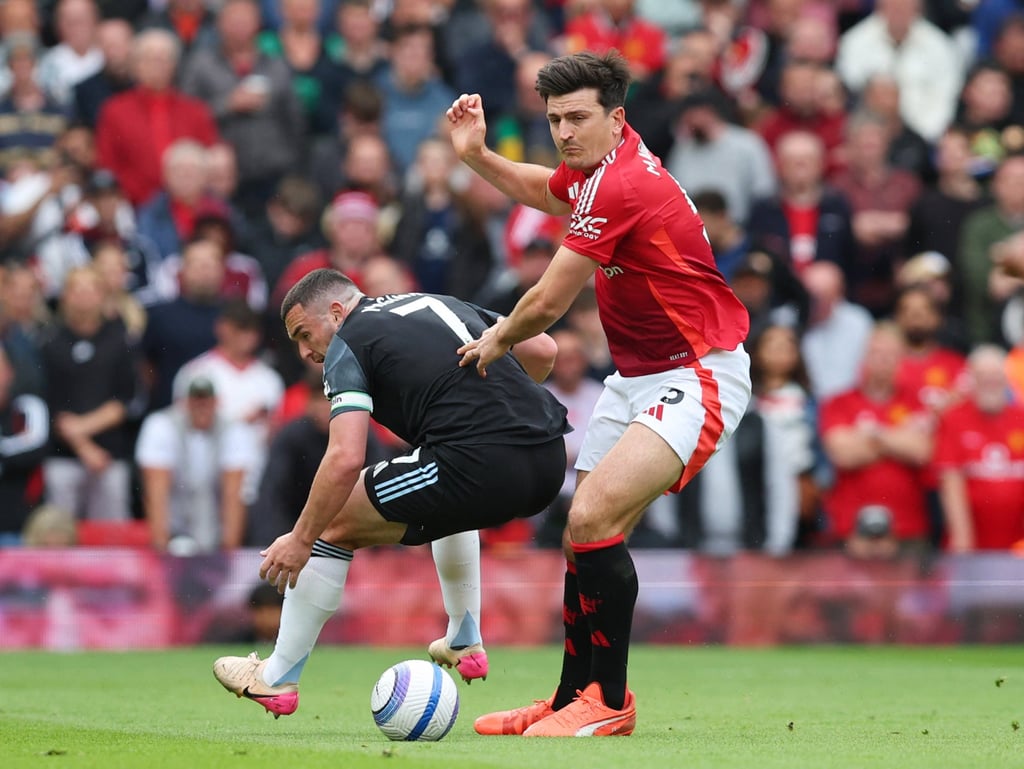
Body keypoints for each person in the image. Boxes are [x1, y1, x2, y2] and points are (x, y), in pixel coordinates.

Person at [446, 51, 751, 736]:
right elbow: (545, 190)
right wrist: (478, 156)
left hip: (698, 370)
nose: (564, 132)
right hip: (639, 375)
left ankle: (608, 701)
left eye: (578, 117)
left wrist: (495, 342)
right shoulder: (599, 172)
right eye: (554, 119)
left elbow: (551, 298)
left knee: (589, 517)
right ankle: (568, 698)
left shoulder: (621, 185)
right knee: (585, 536)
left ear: (618, 118)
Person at [212, 268, 570, 717]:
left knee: (333, 522)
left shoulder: (348, 345)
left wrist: (302, 538)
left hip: (479, 461)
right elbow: (543, 348)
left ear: (337, 313)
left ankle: (276, 678)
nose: (305, 352)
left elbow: (345, 458)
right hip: (549, 458)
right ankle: (464, 637)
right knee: (445, 503)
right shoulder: (437, 301)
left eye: (305, 334)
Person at [135, 374, 254, 554]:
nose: (201, 408)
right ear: (185, 403)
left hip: (214, 528)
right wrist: (161, 549)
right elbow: (156, 493)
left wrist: (229, 551)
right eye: (196, 402)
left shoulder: (233, 430)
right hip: (174, 530)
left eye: (206, 402)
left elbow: (233, 495)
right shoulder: (161, 425)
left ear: (216, 402)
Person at [935, 345, 1024, 552]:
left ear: (1006, 379)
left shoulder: (1021, 419)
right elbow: (951, 482)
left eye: (995, 374)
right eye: (982, 374)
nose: (989, 381)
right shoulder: (954, 419)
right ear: (971, 379)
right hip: (970, 547)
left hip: (1016, 547)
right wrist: (964, 547)